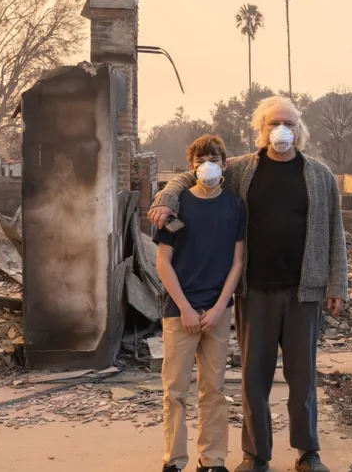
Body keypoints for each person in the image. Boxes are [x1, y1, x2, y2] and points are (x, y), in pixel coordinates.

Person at [149, 96, 348, 472]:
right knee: (254, 379)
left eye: (288, 122)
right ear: (261, 130)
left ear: (299, 129)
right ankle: (256, 455)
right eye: (273, 123)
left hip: (303, 291)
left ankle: (308, 452)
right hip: (254, 290)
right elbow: (191, 174)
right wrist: (166, 198)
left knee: (302, 377)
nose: (281, 130)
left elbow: (335, 231)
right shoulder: (242, 169)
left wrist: (336, 285)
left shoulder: (319, 175)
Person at [155, 134, 247, 472]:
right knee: (175, 392)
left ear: (224, 164)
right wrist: (184, 308)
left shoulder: (235, 207)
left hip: (217, 313)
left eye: (214, 159)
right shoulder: (176, 207)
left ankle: (213, 460)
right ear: (191, 166)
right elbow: (163, 262)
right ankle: (174, 460)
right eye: (200, 160)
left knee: (214, 391)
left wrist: (221, 307)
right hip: (180, 311)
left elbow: (237, 262)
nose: (207, 165)